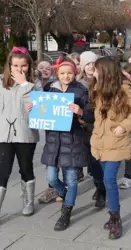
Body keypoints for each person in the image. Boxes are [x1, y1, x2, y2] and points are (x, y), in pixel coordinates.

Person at [0, 47, 39, 226]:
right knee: (1, 171)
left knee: (26, 168)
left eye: (24, 66)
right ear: (9, 66)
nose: (19, 69)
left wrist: (24, 84)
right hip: (4, 134)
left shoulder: (33, 86)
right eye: (15, 65)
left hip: (25, 134)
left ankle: (28, 201)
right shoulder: (1, 85)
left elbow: (36, 108)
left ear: (29, 66)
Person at [32, 57, 92, 231]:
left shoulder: (81, 91)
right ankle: (64, 194)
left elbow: (89, 115)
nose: (66, 76)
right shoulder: (49, 89)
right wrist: (33, 109)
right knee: (51, 177)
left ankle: (66, 211)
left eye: (70, 73)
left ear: (75, 73)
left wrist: (80, 112)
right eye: (62, 73)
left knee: (71, 179)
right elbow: (41, 110)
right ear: (57, 73)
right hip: (53, 141)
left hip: (73, 140)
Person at [90, 57, 131, 240]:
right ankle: (113, 213)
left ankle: (115, 218)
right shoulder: (98, 89)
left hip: (116, 141)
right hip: (100, 142)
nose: (93, 72)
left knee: (109, 179)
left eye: (96, 69)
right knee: (105, 180)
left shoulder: (124, 89)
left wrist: (124, 126)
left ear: (105, 72)